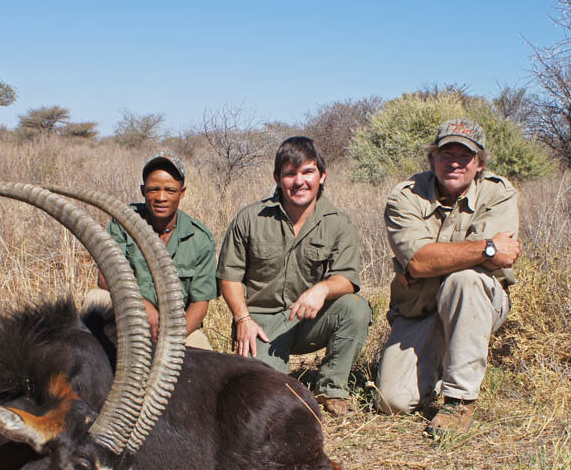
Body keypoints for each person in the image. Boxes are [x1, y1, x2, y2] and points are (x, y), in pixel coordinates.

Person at [375, 119, 521, 436]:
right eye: (445, 154)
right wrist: (487, 248)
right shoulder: (405, 196)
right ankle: (446, 362)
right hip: (420, 310)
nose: (454, 163)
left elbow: (487, 263)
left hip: (475, 302)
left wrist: (433, 262)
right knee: (392, 402)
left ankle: (459, 401)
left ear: (479, 163)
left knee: (465, 280)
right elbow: (419, 261)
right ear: (433, 159)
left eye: (464, 156)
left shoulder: (498, 194)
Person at [217, 136, 371, 416]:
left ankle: (332, 388)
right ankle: (284, 378)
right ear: (277, 178)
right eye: (290, 174)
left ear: (322, 176)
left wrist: (322, 289)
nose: (299, 181)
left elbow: (347, 279)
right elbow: (229, 276)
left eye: (308, 172)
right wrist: (243, 319)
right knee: (265, 398)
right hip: (259, 326)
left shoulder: (338, 222)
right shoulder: (250, 218)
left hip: (306, 320)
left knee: (355, 308)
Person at [89, 152, 217, 349]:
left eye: (170, 190)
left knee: (202, 348)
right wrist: (143, 307)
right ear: (143, 191)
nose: (161, 198)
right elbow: (105, 278)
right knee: (96, 299)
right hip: (127, 314)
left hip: (172, 328)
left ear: (182, 192)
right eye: (153, 190)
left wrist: (174, 335)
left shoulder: (200, 238)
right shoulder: (123, 222)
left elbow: (200, 303)